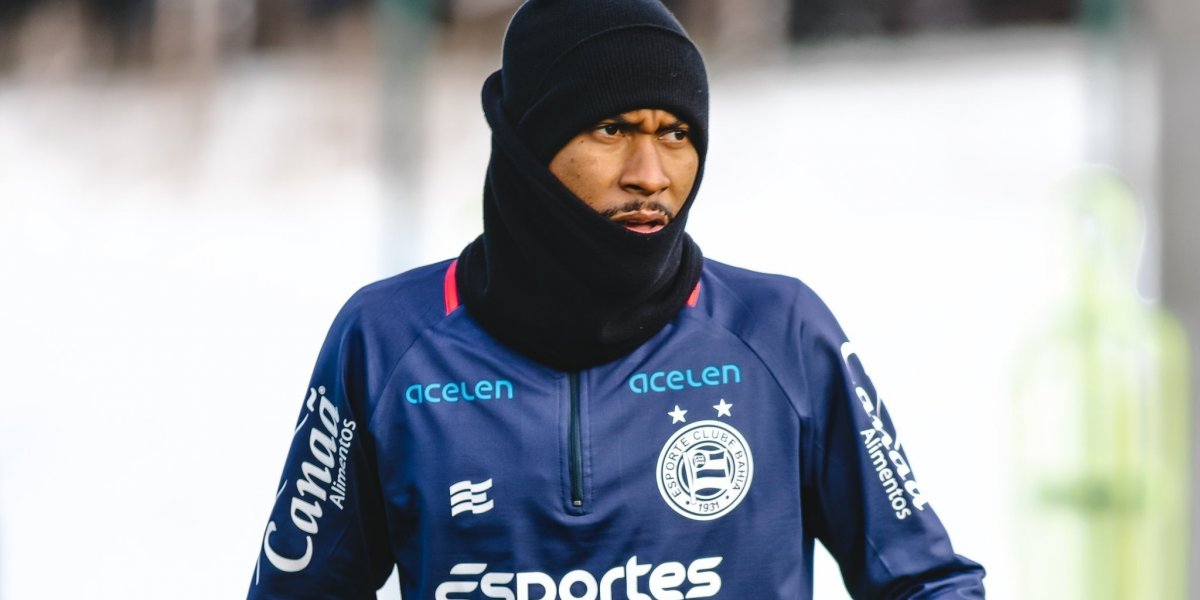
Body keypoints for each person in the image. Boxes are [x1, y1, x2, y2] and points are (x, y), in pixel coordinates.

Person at [247, 0, 987, 598]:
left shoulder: (778, 333)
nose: (651, 174)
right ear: (529, 143)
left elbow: (925, 582)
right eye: (612, 129)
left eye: (676, 133)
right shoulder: (388, 342)